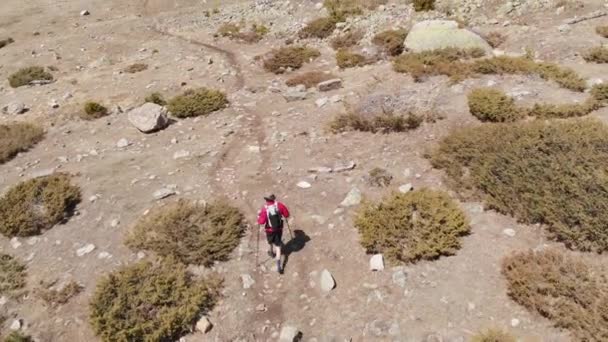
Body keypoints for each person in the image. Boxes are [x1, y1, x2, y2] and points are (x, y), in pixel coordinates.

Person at [257, 194, 290, 273]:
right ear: (273, 199)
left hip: (269, 230)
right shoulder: (279, 205)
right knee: (278, 246)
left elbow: (261, 222)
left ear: (266, 200)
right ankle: (279, 266)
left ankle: (271, 252)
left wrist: (259, 217)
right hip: (278, 229)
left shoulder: (265, 209)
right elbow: (287, 215)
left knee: (270, 242)